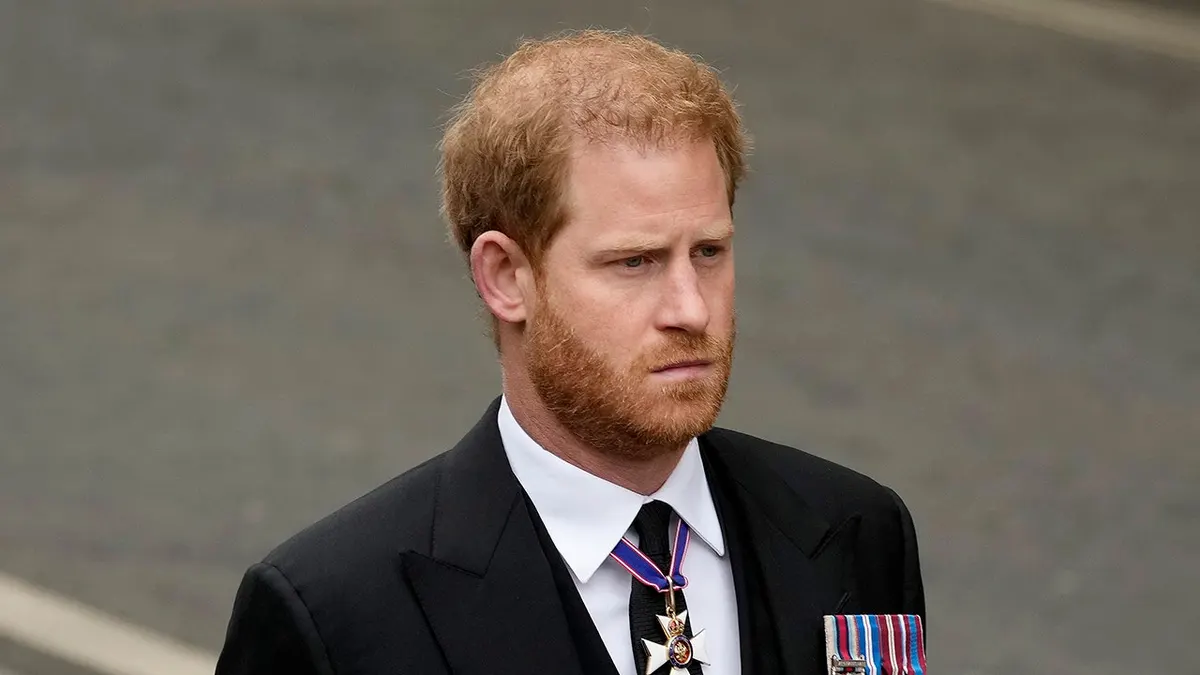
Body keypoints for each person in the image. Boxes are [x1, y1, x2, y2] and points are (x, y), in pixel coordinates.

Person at [215, 29, 925, 675]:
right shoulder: (338, 617)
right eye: (635, 262)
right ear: (506, 277)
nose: (691, 308)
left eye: (709, 251)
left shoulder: (857, 533)